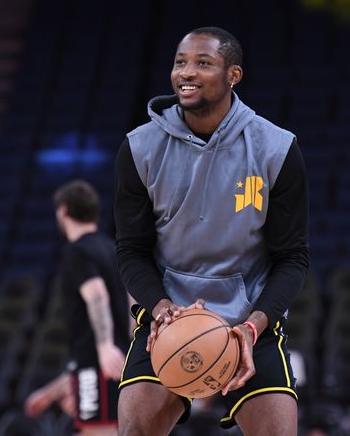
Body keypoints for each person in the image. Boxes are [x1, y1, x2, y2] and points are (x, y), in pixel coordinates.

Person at [114, 27, 310, 435]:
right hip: (169, 319)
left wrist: (253, 326)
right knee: (134, 429)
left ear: (233, 75)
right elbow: (131, 251)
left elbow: (293, 258)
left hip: (247, 319)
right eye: (180, 62)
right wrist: (161, 309)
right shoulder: (139, 148)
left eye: (203, 63)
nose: (187, 72)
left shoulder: (276, 148)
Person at [25, 181, 130, 435]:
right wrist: (55, 390)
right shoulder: (112, 249)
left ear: (62, 211)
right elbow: (132, 304)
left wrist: (104, 346)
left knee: (100, 432)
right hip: (116, 361)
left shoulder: (77, 252)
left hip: (101, 365)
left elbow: (97, 296)